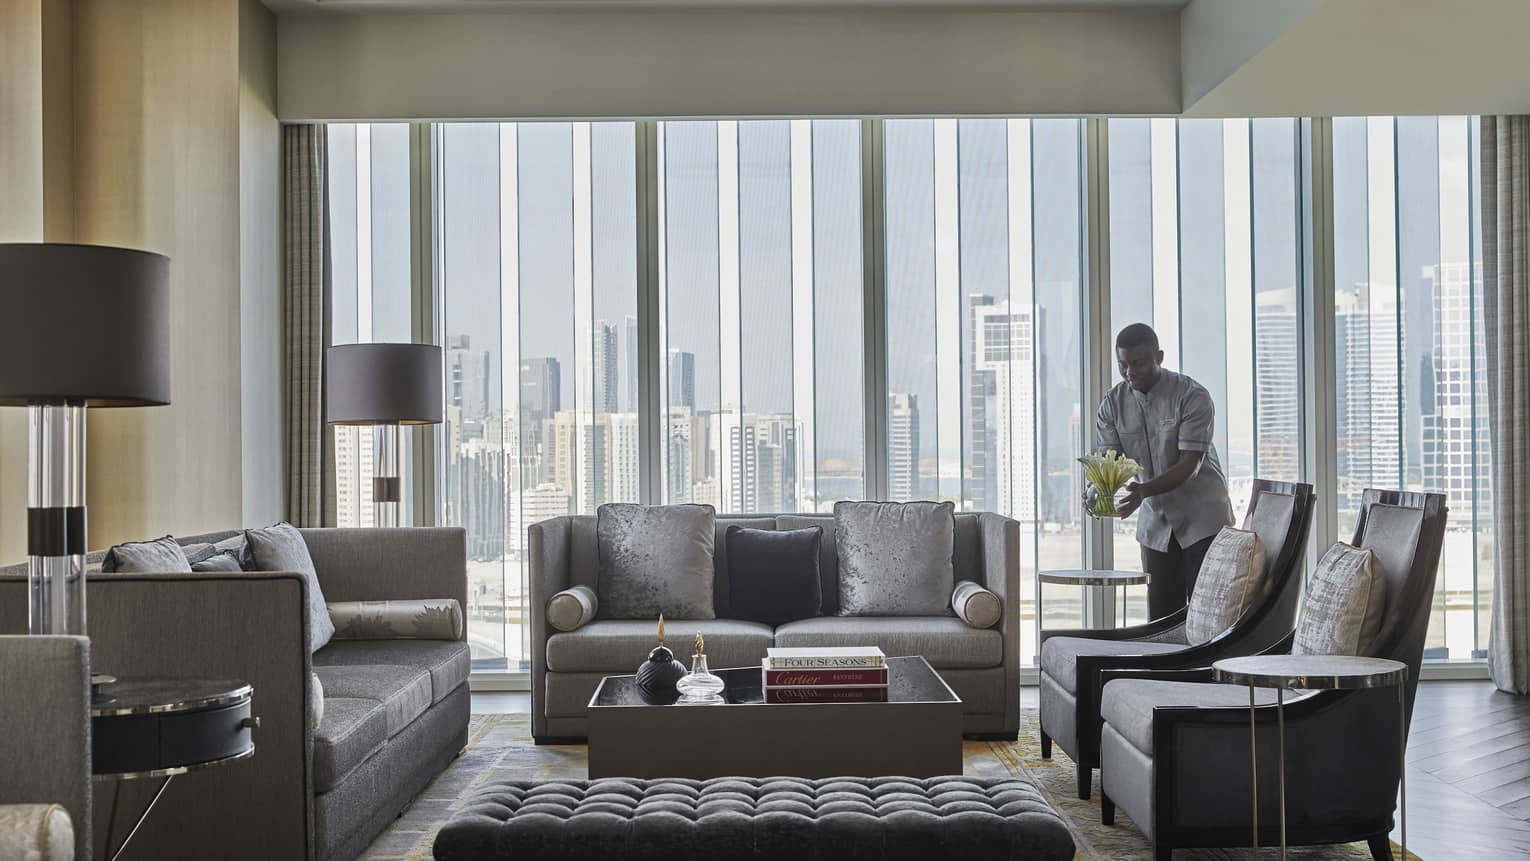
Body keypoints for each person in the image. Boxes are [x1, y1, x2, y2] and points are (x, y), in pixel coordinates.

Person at [1091, 323, 1234, 618]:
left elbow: (1190, 465)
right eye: (1123, 365)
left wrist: (1143, 490)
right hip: (1156, 526)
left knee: (1204, 619)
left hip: (1203, 523)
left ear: (1160, 356)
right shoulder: (1112, 404)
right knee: (1161, 620)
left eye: (1139, 363)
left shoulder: (1192, 396)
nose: (1130, 372)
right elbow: (1109, 460)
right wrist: (1095, 490)